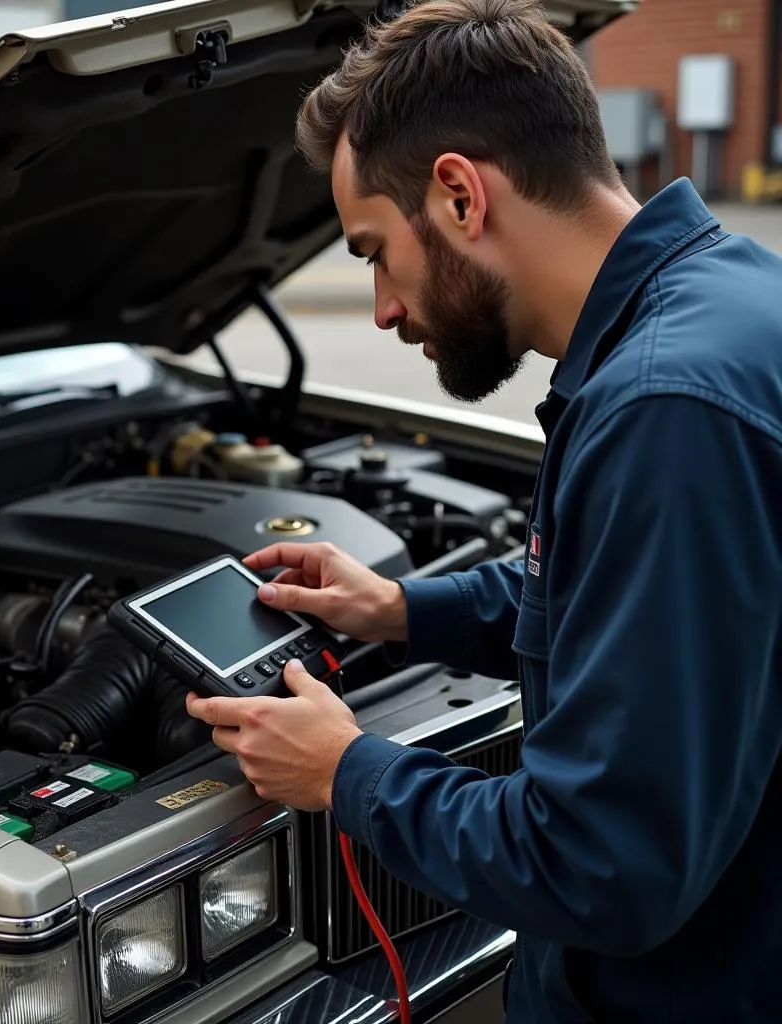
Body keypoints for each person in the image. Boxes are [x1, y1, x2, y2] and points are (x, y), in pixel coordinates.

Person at [186, 0, 782, 1019]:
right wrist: (405, 610)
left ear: (460, 195)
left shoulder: (660, 413)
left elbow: (601, 864)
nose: (379, 306)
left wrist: (348, 770)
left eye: (373, 249)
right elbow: (622, 600)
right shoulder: (731, 302)